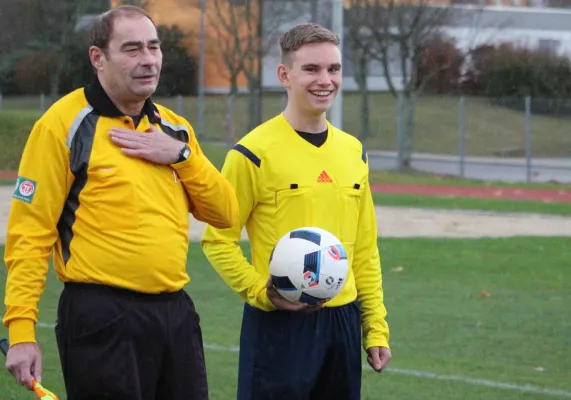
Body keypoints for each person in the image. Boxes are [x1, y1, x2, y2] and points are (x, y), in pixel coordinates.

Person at [3, 5, 238, 399]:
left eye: (153, 47)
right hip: (101, 317)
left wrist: (182, 156)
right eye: (132, 49)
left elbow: (226, 213)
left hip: (175, 314)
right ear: (99, 58)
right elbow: (30, 234)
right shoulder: (63, 125)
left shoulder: (173, 128)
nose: (148, 60)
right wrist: (22, 330)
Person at [201, 22, 391, 399]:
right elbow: (217, 241)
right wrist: (262, 292)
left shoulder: (354, 153)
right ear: (284, 75)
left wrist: (375, 326)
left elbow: (365, 251)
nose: (326, 80)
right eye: (312, 69)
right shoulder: (251, 153)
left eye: (333, 69)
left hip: (343, 321)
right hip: (278, 323)